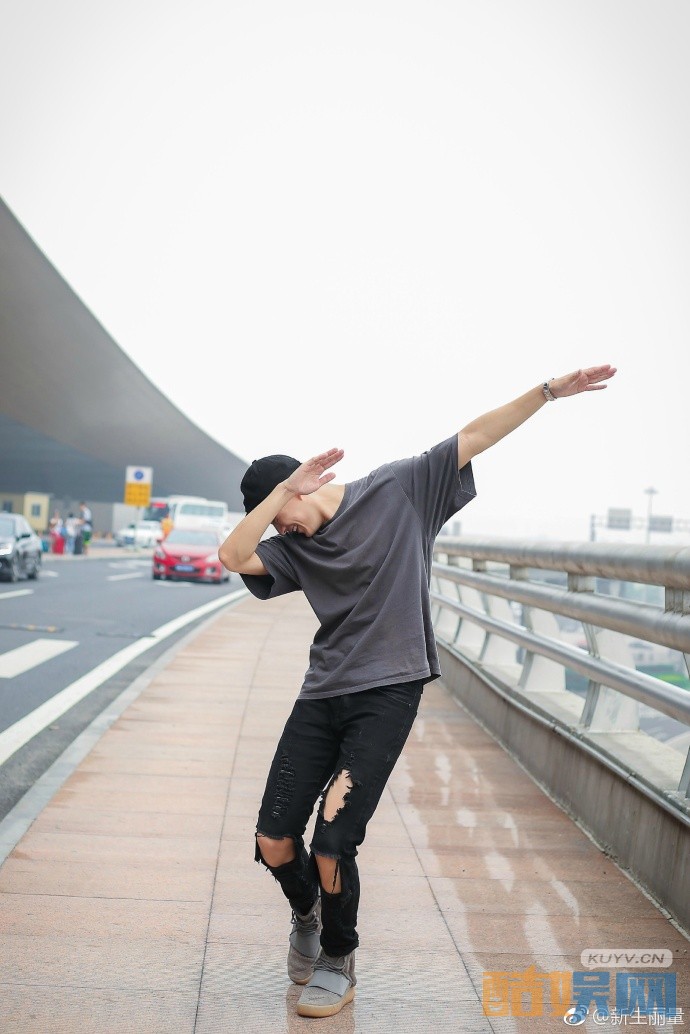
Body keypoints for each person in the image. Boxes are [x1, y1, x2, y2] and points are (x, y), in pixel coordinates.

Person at [218, 365, 616, 1019]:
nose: (279, 531)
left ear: (307, 488)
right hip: (321, 694)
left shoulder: (398, 489)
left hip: (387, 693)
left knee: (332, 843)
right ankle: (305, 914)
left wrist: (547, 393)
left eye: (279, 515)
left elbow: (476, 435)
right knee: (272, 841)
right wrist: (280, 497)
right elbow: (234, 557)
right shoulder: (292, 547)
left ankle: (338, 958)